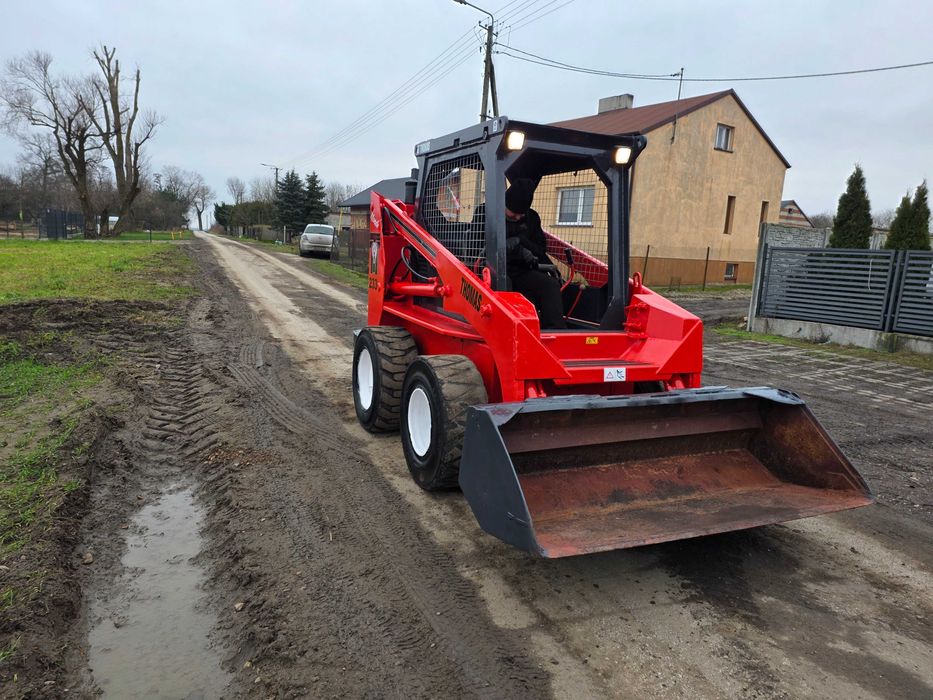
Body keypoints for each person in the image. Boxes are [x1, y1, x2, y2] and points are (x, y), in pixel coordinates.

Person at [504, 178, 567, 329]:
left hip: (523, 270)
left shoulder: (532, 218)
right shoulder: (485, 212)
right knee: (504, 283)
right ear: (504, 204)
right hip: (495, 269)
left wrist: (521, 241)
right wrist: (516, 250)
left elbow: (540, 249)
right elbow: (481, 247)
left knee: (550, 284)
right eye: (514, 214)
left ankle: (554, 331)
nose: (518, 217)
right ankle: (508, 327)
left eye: (522, 214)